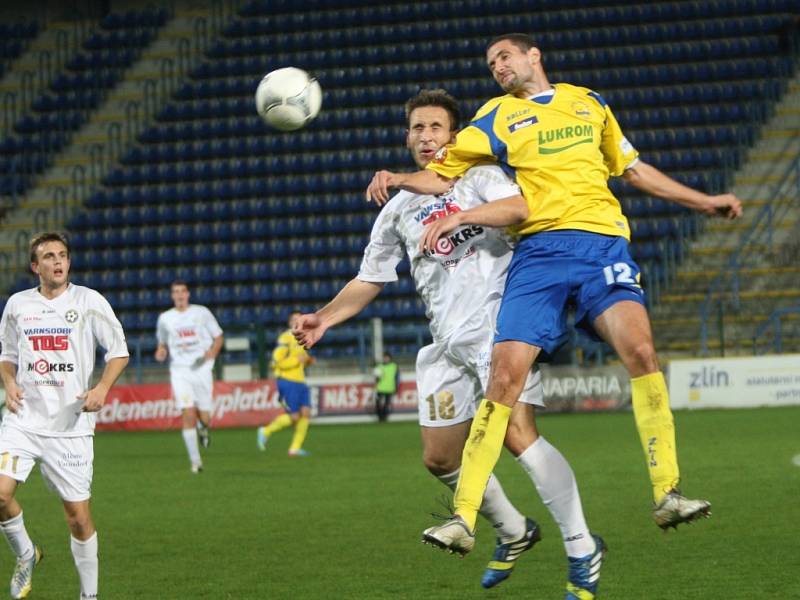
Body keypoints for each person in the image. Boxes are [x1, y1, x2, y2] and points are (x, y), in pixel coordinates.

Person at [366, 33, 743, 563]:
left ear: (533, 56)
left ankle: (668, 492)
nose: (498, 66)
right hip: (539, 254)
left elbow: (633, 170)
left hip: (601, 244)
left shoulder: (588, 103)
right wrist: (399, 177)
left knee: (641, 352)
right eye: (491, 62)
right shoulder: (494, 118)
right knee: (506, 378)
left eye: (505, 56)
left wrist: (703, 201)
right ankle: (466, 519)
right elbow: (440, 174)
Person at [296, 89, 603, 595]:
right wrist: (324, 318)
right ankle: (514, 530)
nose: (426, 136)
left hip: (500, 329)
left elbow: (524, 206)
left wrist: (460, 216)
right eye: (418, 128)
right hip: (447, 344)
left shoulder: (481, 177)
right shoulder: (396, 210)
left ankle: (581, 544)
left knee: (517, 434)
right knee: (440, 459)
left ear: (454, 136)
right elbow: (369, 278)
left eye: (436, 127)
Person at [0, 232, 129, 600]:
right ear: (34, 266)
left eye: (62, 255)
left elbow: (119, 352)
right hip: (23, 420)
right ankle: (26, 553)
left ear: (69, 262)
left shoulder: (89, 301)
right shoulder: (18, 305)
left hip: (70, 425)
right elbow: (7, 356)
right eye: (49, 256)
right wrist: (9, 383)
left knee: (78, 518)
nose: (57, 262)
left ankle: (89, 596)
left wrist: (102, 388)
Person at [155, 280, 223, 474]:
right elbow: (162, 343)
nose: (179, 295)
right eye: (175, 292)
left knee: (206, 417)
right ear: (172, 296)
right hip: (180, 371)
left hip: (201, 370)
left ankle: (204, 428)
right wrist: (161, 351)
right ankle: (196, 462)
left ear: (188, 294)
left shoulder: (202, 313)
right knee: (188, 414)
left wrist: (213, 352)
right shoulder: (165, 318)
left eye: (182, 291)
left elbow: (218, 337)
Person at [257, 312, 313, 457]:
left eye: (299, 319)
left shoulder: (303, 338)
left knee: (306, 413)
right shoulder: (285, 338)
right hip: (287, 381)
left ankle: (294, 448)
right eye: (294, 319)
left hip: (301, 381)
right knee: (294, 417)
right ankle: (266, 431)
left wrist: (308, 361)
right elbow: (276, 362)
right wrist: (297, 361)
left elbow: (303, 360)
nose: (297, 321)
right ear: (289, 323)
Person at [372, 352, 399, 422]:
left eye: (387, 358)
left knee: (387, 404)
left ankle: (384, 417)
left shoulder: (394, 366)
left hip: (390, 388)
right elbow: (376, 377)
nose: (386, 359)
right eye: (384, 358)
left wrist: (397, 386)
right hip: (380, 388)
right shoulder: (379, 366)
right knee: (378, 403)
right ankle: (380, 417)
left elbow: (397, 377)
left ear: (390, 358)